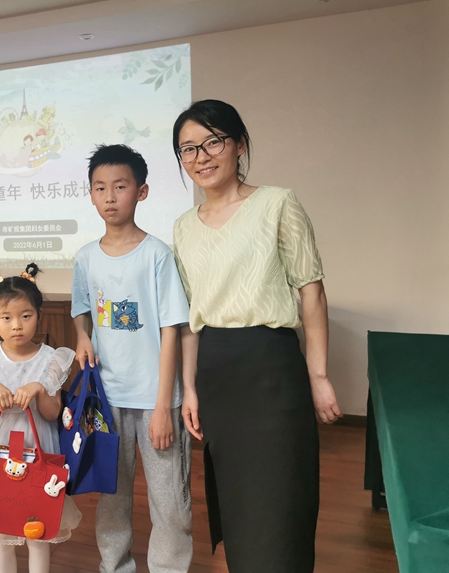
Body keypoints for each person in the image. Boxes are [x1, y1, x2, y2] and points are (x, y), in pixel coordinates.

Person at [171, 99, 343, 572]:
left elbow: (312, 291)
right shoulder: (183, 228)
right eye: (188, 149)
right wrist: (189, 388)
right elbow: (190, 319)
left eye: (213, 142)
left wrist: (318, 376)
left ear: (240, 145)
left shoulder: (277, 203)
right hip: (216, 372)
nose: (201, 157)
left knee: (282, 495)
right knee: (239, 499)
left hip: (271, 368)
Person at [71, 144, 193, 573]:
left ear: (141, 192)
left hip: (156, 399)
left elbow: (172, 329)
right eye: (100, 187)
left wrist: (163, 406)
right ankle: (114, 566)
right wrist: (81, 335)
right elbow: (82, 313)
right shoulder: (85, 257)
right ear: (90, 194)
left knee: (169, 501)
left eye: (120, 186)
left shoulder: (157, 254)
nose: (109, 196)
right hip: (106, 400)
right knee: (112, 496)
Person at [0, 263, 81, 573]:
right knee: (1, 530)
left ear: (39, 316)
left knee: (37, 529)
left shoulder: (51, 359)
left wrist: (39, 389)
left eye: (26, 316)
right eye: (7, 318)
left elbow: (52, 413)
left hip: (37, 449)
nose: (17, 325)